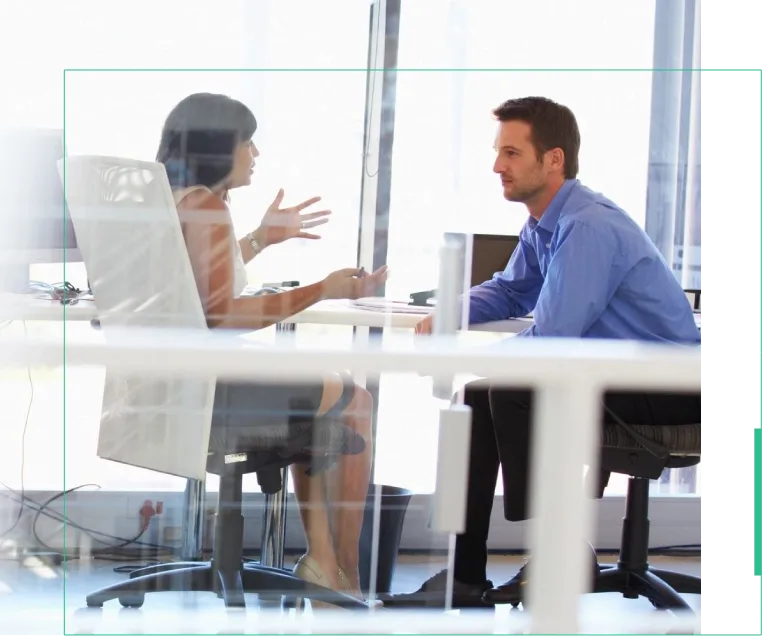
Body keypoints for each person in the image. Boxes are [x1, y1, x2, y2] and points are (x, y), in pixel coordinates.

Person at [388, 96, 703, 608]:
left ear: (552, 159)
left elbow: (554, 336)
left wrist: (479, 358)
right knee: (478, 396)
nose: (497, 166)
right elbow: (511, 289)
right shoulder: (545, 224)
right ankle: (465, 576)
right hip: (619, 378)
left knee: (510, 389)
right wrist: (452, 311)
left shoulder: (587, 226)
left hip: (668, 387)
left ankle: (562, 547)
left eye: (511, 153)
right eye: (498, 152)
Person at [156, 92, 388, 607]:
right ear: (222, 146)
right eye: (247, 141)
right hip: (212, 395)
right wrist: (323, 288)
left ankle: (324, 563)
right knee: (354, 400)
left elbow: (197, 285)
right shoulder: (208, 206)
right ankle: (340, 574)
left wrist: (260, 238)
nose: (255, 153)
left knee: (327, 398)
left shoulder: (173, 200)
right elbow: (221, 314)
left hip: (172, 387)